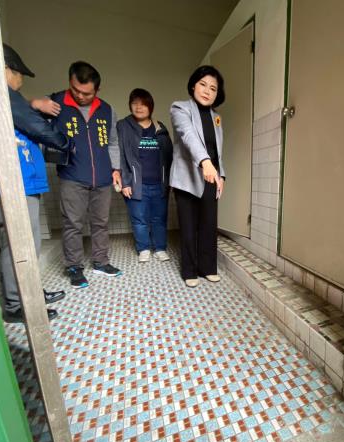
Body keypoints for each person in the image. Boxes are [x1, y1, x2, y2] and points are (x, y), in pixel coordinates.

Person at [0, 44, 70, 323]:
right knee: (20, 246)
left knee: (18, 244)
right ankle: (15, 304)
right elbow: (36, 126)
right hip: (10, 183)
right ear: (6, 69)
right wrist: (64, 142)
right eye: (20, 77)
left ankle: (29, 294)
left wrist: (31, 104)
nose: (20, 84)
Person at [49, 61, 122, 288]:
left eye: (87, 93)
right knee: (73, 223)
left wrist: (116, 169)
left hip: (103, 177)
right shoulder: (55, 103)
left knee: (101, 222)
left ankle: (101, 261)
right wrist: (35, 104)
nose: (80, 96)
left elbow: (113, 143)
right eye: (75, 90)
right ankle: (74, 266)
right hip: (72, 175)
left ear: (97, 90)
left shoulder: (107, 110)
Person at [170, 65, 226, 288]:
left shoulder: (217, 117)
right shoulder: (180, 108)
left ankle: (208, 268)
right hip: (186, 177)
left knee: (209, 225)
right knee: (188, 226)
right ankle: (189, 270)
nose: (207, 91)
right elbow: (189, 136)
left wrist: (221, 175)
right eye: (203, 84)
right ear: (193, 85)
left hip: (211, 177)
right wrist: (205, 162)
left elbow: (217, 150)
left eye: (213, 88)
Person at [117, 89, 173, 263]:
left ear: (150, 107)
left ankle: (160, 248)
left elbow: (169, 155)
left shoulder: (160, 127)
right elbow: (119, 155)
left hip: (159, 184)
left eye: (143, 104)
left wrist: (170, 181)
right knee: (139, 219)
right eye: (135, 103)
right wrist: (125, 182)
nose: (139, 107)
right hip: (136, 184)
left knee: (159, 219)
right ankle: (143, 248)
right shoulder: (123, 126)